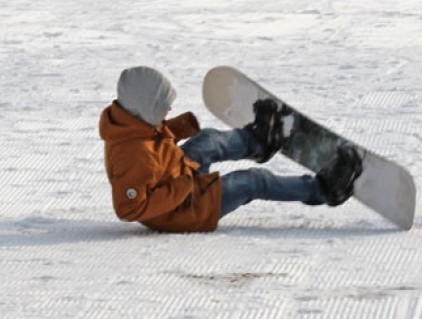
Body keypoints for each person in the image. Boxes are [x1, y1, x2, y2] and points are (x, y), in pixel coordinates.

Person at [99, 66, 361, 232]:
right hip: (186, 210)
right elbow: (129, 209)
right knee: (252, 182)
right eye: (163, 107)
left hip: (179, 175)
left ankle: (258, 141)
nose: (168, 110)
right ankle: (325, 189)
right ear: (146, 108)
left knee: (209, 140)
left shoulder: (130, 124)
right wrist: (181, 187)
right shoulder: (131, 156)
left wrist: (176, 130)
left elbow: (152, 149)